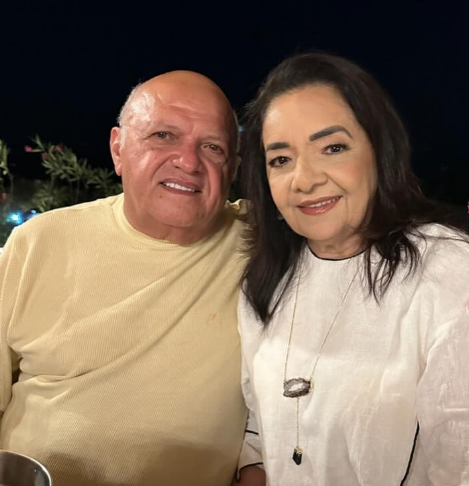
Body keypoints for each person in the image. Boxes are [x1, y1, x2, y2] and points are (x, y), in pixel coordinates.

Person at [0, 71, 248, 486]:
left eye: (213, 147)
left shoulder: (263, 246)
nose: (189, 162)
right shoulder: (39, 241)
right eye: (163, 136)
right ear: (118, 149)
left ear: (233, 168)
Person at [236, 52, 469, 485]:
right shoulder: (265, 279)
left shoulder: (446, 268)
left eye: (333, 148)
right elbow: (258, 428)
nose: (305, 179)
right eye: (281, 159)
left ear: (380, 151)